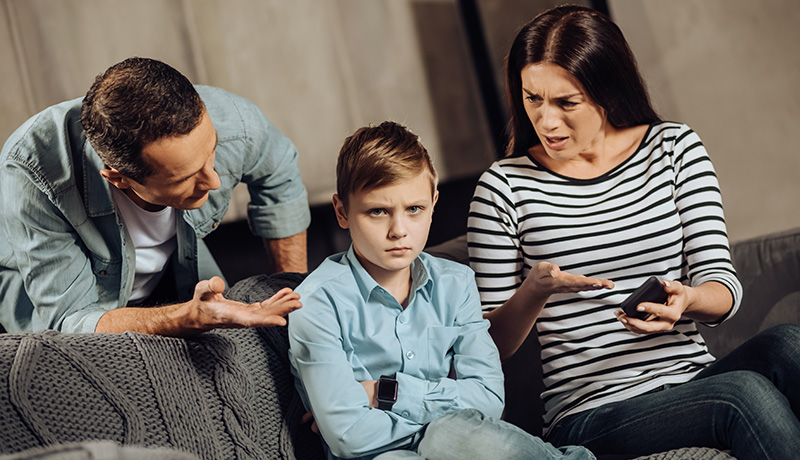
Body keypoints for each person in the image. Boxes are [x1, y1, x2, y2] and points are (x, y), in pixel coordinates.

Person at [467, 5, 800, 459]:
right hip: (591, 412)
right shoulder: (503, 186)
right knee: (741, 396)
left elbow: (722, 286)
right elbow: (486, 346)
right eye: (533, 98)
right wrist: (534, 291)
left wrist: (688, 299)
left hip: (693, 381)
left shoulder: (675, 148)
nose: (546, 121)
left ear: (607, 90)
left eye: (566, 102)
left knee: (789, 345)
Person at [288, 121, 593, 460]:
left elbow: (489, 400)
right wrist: (441, 419)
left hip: (462, 445)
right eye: (377, 211)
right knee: (437, 439)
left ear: (433, 203)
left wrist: (386, 392)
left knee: (449, 436)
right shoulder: (316, 303)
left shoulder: (455, 283)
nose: (398, 231)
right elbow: (349, 436)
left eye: (414, 209)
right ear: (342, 212)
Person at [0, 57, 308, 336]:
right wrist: (191, 316)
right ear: (118, 178)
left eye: (211, 150)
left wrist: (291, 289)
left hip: (181, 277)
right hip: (73, 312)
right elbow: (72, 320)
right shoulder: (33, 174)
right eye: (185, 177)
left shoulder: (232, 119)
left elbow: (279, 176)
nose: (214, 181)